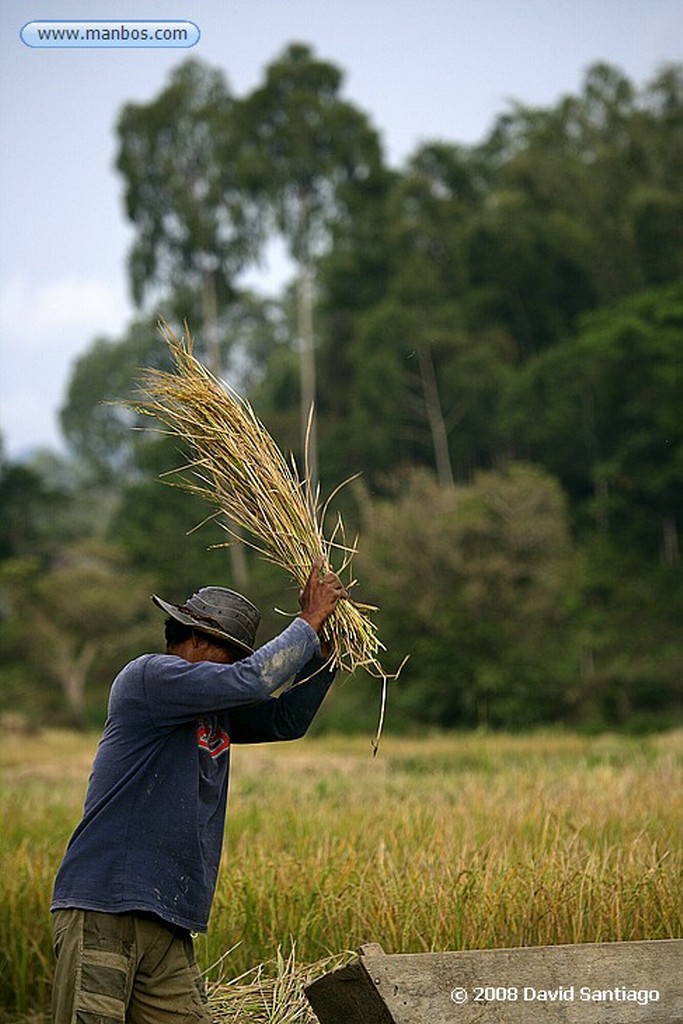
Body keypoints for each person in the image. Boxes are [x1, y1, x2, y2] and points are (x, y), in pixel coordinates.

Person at [50, 560, 346, 1024]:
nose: (234, 667)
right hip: (106, 906)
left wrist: (322, 656)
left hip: (166, 917)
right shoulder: (151, 677)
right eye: (230, 654)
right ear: (195, 641)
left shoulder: (215, 710)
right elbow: (253, 679)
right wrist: (308, 621)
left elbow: (285, 719)